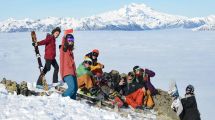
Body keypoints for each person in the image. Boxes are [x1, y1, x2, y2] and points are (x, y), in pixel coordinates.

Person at [59, 33, 77, 100]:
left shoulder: (70, 51)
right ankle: (62, 98)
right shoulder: (64, 49)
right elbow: (63, 44)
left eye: (72, 39)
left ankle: (73, 101)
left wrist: (75, 73)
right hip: (67, 72)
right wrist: (64, 37)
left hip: (73, 72)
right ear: (66, 40)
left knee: (75, 88)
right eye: (69, 39)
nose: (71, 41)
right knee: (72, 87)